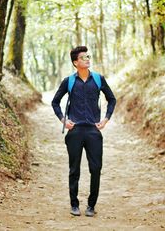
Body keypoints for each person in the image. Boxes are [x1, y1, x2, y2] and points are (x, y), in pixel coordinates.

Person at [51, 46, 116, 217]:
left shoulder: (98, 79)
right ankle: (74, 204)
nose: (87, 59)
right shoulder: (69, 81)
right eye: (83, 57)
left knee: (95, 169)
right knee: (74, 169)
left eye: (88, 56)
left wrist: (106, 119)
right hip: (75, 132)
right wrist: (63, 120)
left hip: (94, 132)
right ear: (75, 62)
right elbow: (55, 102)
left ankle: (91, 205)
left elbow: (112, 99)